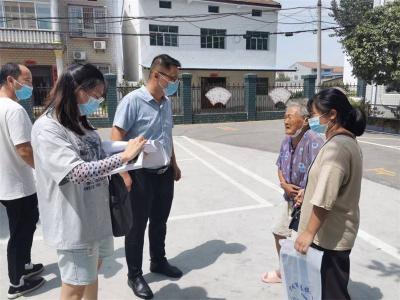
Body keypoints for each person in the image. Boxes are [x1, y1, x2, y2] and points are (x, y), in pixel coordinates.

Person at [31, 64, 146, 300]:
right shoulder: (48, 127)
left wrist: (125, 151)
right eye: (95, 95)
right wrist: (122, 158)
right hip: (74, 223)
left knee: (91, 274)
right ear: (77, 90)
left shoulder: (80, 120)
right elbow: (77, 172)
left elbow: (94, 151)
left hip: (96, 216)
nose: (98, 101)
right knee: (74, 287)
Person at [112, 54, 182, 299]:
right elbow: (116, 137)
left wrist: (174, 163)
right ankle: (134, 275)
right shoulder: (133, 101)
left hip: (163, 174)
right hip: (139, 174)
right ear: (156, 75)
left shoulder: (167, 102)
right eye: (172, 78)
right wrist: (123, 174)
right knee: (136, 227)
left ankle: (158, 261)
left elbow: (167, 135)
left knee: (160, 222)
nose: (175, 82)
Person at [294, 88, 366, 299]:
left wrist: (308, 233)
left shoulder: (339, 147)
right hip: (330, 234)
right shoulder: (342, 142)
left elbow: (325, 198)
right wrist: (306, 193)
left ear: (332, 114)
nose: (310, 121)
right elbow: (330, 185)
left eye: (314, 115)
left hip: (330, 238)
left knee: (332, 294)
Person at [261, 101, 323, 284]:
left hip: (308, 203)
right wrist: (283, 184)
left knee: (307, 243)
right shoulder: (287, 140)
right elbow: (280, 164)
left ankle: (310, 281)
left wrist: (305, 191)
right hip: (289, 199)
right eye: (284, 116)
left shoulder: (315, 141)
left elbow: (321, 174)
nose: (285, 120)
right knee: (279, 232)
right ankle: (285, 272)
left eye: (290, 116)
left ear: (304, 121)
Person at [0, 63, 45, 299]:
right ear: (10, 80)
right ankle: (16, 283)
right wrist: (45, 171)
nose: (30, 86)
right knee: (19, 233)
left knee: (27, 226)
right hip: (18, 184)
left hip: (7, 183)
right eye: (26, 81)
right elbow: (24, 149)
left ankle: (25, 266)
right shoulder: (13, 109)